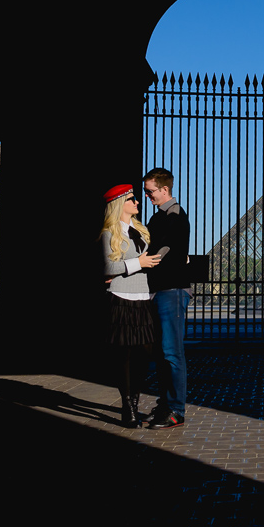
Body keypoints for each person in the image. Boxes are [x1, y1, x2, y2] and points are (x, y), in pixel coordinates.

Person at [100, 184, 161, 428]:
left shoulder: (141, 232)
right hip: (121, 299)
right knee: (123, 356)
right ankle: (128, 406)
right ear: (119, 204)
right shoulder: (108, 234)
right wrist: (138, 263)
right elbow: (107, 268)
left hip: (144, 300)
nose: (137, 202)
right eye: (132, 198)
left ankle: (134, 400)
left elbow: (149, 262)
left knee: (144, 356)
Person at [142, 168, 191, 430]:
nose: (148, 196)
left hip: (171, 290)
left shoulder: (174, 216)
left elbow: (162, 250)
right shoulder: (160, 216)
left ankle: (176, 409)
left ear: (164, 190)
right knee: (163, 353)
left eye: (150, 191)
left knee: (172, 352)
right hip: (162, 289)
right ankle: (165, 405)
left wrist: (143, 263)